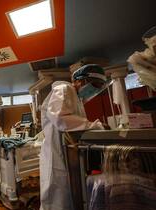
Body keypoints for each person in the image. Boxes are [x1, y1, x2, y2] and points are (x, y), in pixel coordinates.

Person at [40, 64, 108, 210]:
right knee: (57, 194)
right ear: (80, 81)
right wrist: (92, 126)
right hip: (56, 150)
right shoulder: (64, 89)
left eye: (98, 88)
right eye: (94, 85)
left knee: (68, 193)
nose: (94, 90)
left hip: (67, 150)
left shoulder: (77, 99)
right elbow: (60, 118)